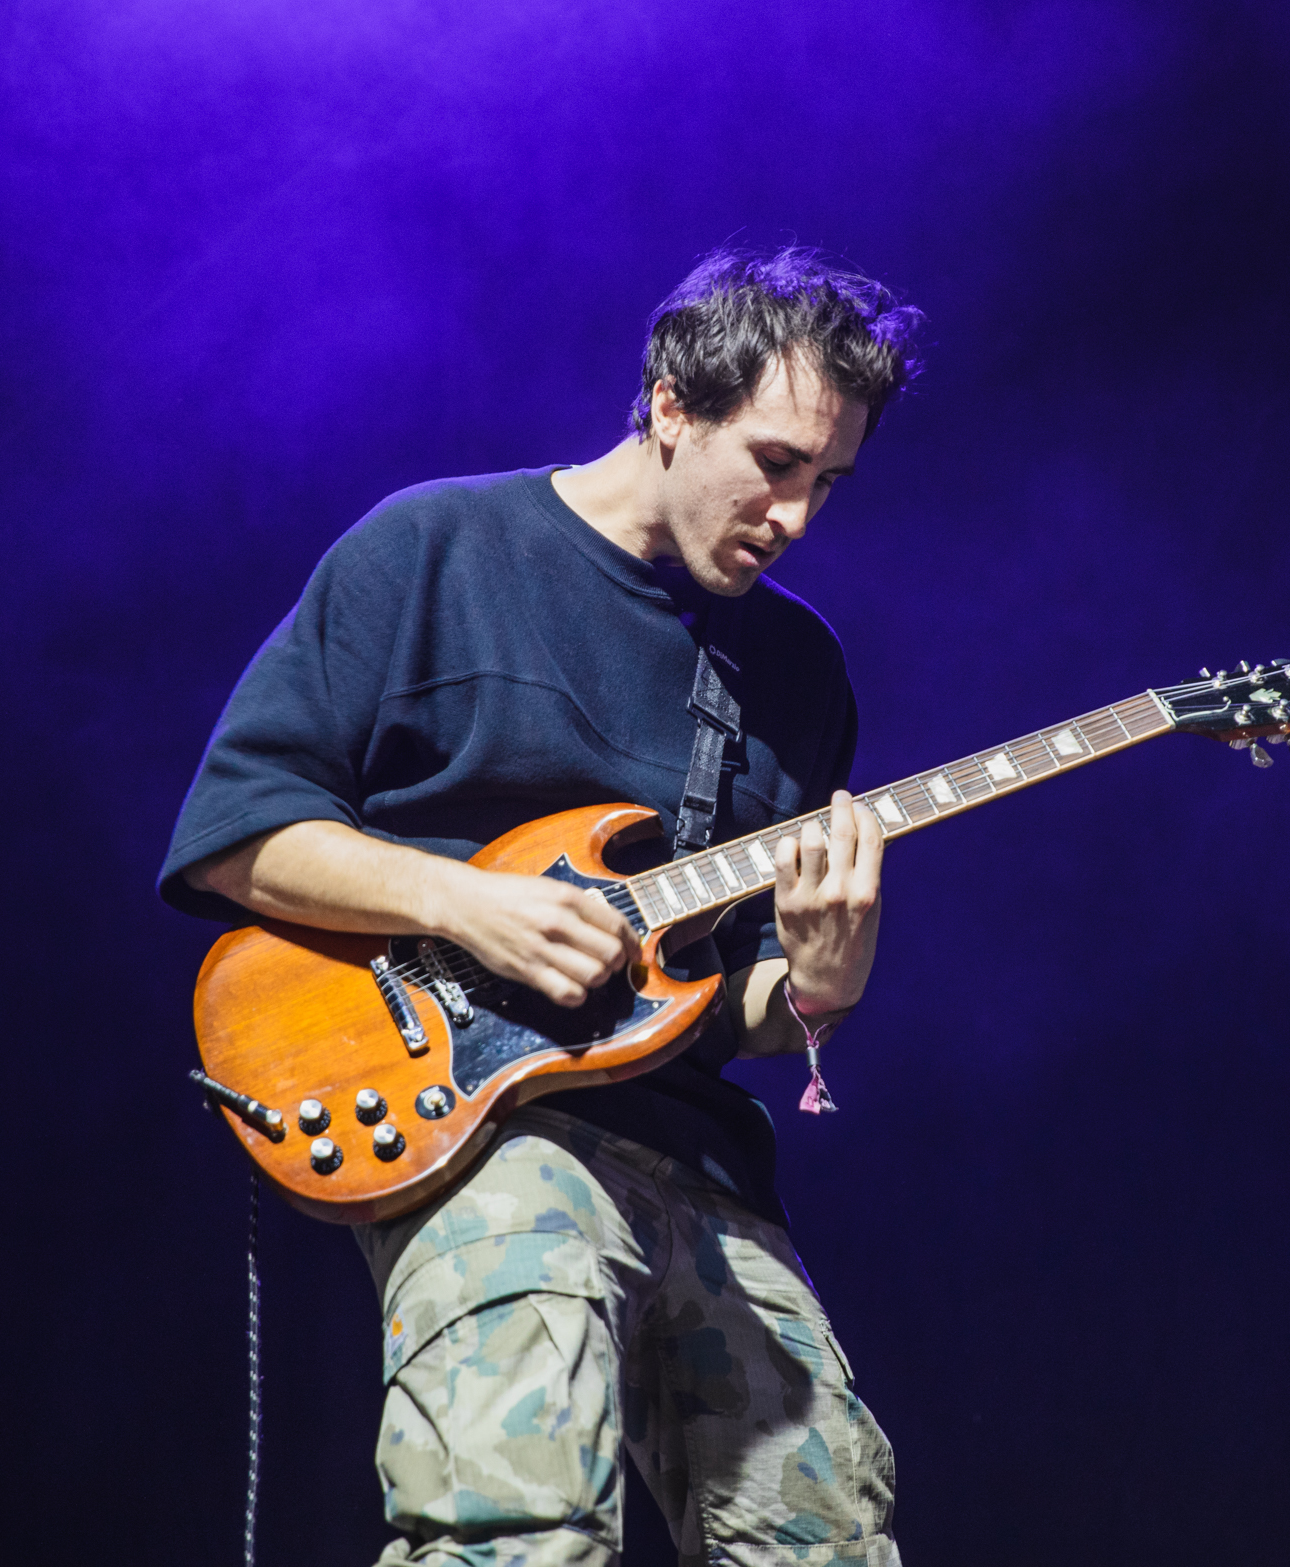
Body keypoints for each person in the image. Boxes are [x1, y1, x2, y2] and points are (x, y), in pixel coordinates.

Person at [159, 247, 921, 1566]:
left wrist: (819, 987)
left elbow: (737, 1003)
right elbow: (237, 834)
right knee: (518, 1527)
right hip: (481, 1128)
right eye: (777, 463)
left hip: (695, 1157)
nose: (797, 516)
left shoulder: (797, 670)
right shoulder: (435, 550)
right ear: (670, 404)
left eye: (830, 483)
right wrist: (465, 904)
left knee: (829, 1541)